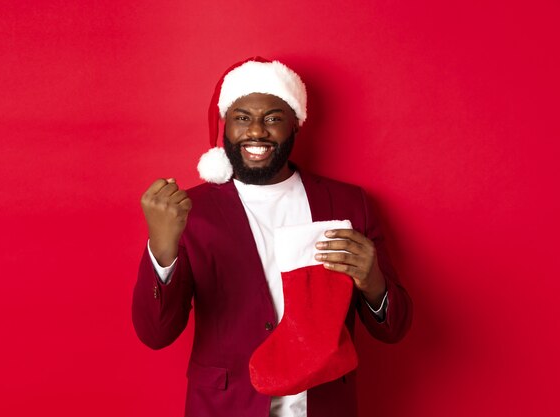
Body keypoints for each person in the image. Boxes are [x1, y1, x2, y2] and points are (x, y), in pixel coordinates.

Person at [132, 57, 412, 417]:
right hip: (226, 407)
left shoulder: (348, 203)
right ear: (226, 126)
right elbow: (156, 334)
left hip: (325, 404)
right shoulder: (191, 210)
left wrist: (372, 281)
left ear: (295, 124)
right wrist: (162, 247)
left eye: (274, 118)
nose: (257, 131)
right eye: (242, 117)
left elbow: (395, 329)